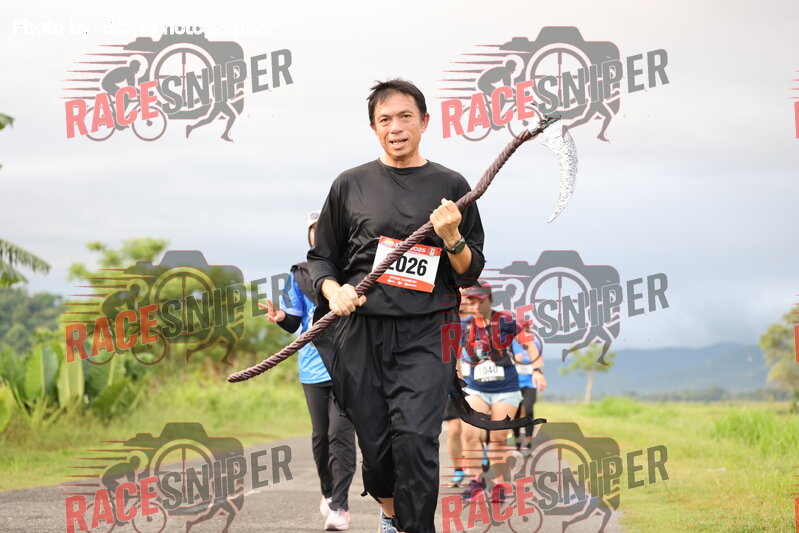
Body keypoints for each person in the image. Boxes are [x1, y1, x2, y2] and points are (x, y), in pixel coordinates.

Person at [307, 78, 485, 533]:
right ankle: (391, 516)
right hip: (363, 332)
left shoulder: (451, 185)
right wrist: (333, 290)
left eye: (406, 117)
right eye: (385, 119)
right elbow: (320, 258)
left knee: (417, 439)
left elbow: (469, 271)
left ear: (424, 122)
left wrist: (452, 237)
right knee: (378, 448)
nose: (396, 127)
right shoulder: (350, 184)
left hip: (429, 329)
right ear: (373, 128)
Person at [263, 210, 356, 531]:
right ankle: (328, 492)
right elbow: (295, 322)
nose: (319, 232)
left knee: (339, 434)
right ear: (309, 236)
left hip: (347, 367)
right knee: (321, 436)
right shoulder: (300, 275)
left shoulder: (351, 269)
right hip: (313, 368)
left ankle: (340, 507)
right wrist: (280, 318)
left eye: (324, 227)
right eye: (314, 228)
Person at [457, 281, 534, 503]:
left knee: (498, 438)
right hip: (477, 387)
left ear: (489, 299)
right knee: (470, 434)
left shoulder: (505, 321)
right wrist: (456, 382)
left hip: (505, 387)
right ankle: (476, 480)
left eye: (479, 300)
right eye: (471, 301)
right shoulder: (464, 327)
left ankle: (500, 484)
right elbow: (454, 356)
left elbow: (528, 344)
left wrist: (536, 368)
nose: (474, 305)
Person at [511, 331, 546, 450]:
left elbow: (540, 360)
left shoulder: (534, 343)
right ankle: (517, 440)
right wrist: (514, 359)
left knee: (529, 409)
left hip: (530, 383)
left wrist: (540, 374)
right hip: (514, 384)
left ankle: (528, 440)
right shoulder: (511, 342)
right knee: (515, 414)